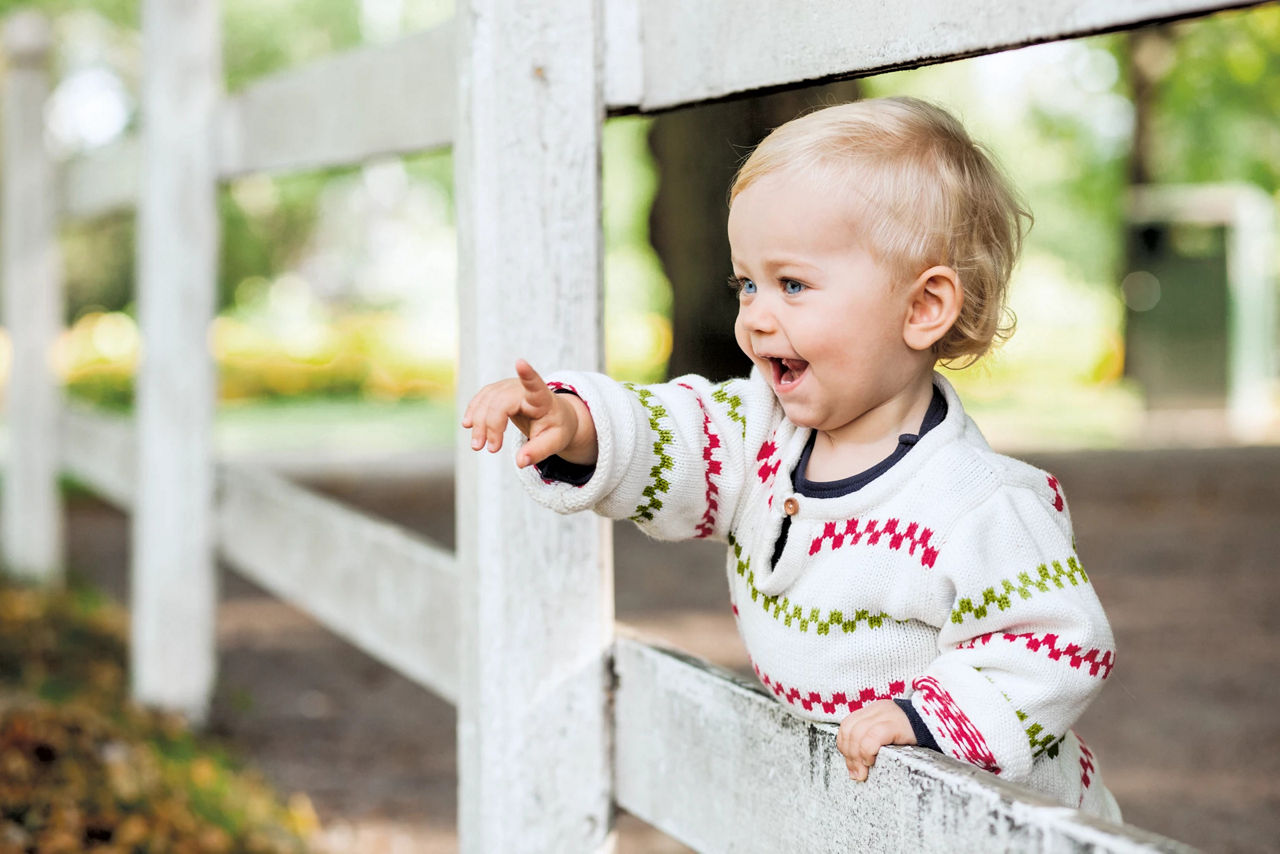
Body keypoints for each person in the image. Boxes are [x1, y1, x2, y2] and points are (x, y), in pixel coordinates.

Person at [461, 96, 1119, 819]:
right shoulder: (761, 432)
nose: (755, 315)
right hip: (858, 803)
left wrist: (926, 716)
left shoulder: (975, 503)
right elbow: (678, 433)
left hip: (996, 822)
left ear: (923, 307)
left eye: (792, 284)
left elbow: (1059, 643)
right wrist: (578, 423)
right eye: (746, 283)